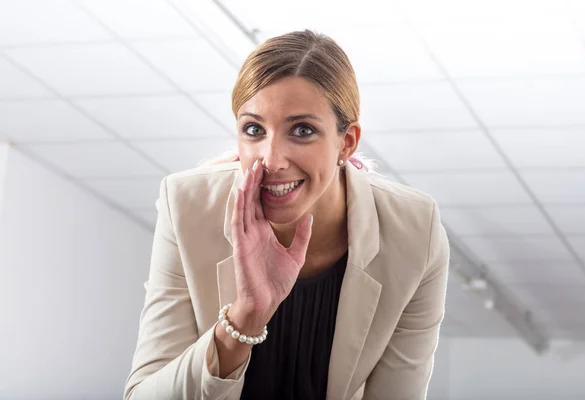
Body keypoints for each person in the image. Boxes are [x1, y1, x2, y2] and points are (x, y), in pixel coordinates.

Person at [124, 30, 449, 400]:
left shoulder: (414, 231)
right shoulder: (188, 207)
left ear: (347, 142)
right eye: (253, 129)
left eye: (302, 130)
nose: (272, 159)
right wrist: (243, 318)